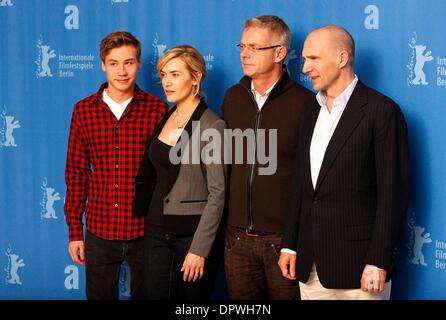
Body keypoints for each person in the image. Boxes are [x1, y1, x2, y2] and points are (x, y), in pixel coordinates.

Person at [279, 25, 410, 300]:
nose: (305, 68)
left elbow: (392, 195)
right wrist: (290, 244)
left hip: (361, 270)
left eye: (313, 59)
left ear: (341, 58)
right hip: (311, 268)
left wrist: (378, 260)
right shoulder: (309, 111)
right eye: (304, 59)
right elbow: (301, 185)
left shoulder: (382, 111)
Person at [64, 30, 167, 300]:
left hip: (146, 231)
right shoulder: (83, 110)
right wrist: (76, 231)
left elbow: (166, 174)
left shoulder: (157, 110)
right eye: (114, 63)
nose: (122, 71)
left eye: (129, 62)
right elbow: (76, 173)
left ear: (140, 64)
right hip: (100, 230)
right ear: (103, 64)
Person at [221, 15, 314, 299]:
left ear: (279, 53)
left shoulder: (305, 103)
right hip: (237, 241)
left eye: (254, 47)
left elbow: (309, 179)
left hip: (282, 243)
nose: (245, 54)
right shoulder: (232, 98)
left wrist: (294, 240)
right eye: (242, 46)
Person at [133, 45, 227, 300]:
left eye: (175, 74)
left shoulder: (213, 126)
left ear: (195, 77)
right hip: (155, 231)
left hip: (190, 235)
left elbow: (218, 194)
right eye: (163, 75)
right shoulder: (167, 115)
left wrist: (199, 249)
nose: (166, 82)